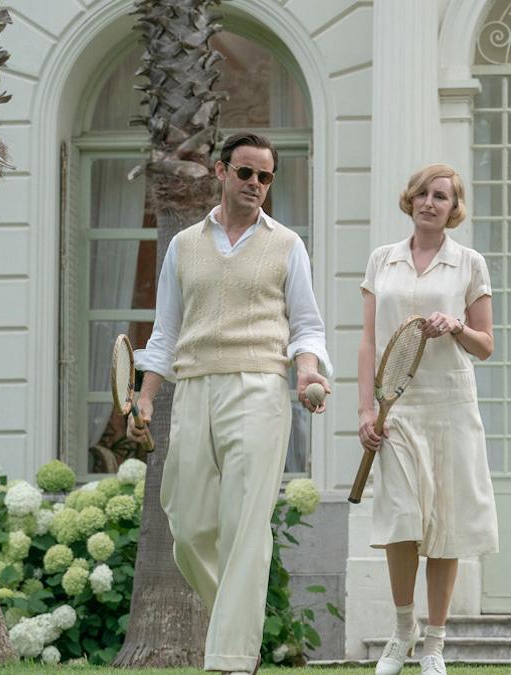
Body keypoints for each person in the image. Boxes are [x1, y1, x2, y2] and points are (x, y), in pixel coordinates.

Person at [129, 131, 333, 674]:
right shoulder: (183, 245)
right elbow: (164, 334)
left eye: (265, 177)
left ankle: (231, 662)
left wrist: (308, 371)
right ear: (221, 172)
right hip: (194, 389)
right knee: (188, 526)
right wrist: (145, 401)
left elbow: (306, 325)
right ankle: (238, 627)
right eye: (246, 173)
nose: (256, 185)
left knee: (246, 525)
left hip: (259, 388)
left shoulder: (287, 244)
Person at [359, 163, 498, 675]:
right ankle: (402, 633)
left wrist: (456, 325)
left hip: (451, 407)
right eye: (422, 193)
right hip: (397, 408)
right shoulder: (382, 260)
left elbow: (485, 345)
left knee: (446, 524)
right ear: (410, 199)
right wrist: (366, 410)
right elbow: (370, 341)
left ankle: (435, 643)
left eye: (441, 196)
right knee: (401, 521)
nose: (429, 203)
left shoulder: (469, 264)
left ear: (453, 207)